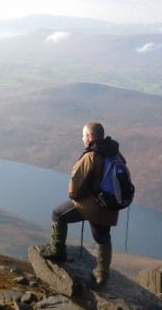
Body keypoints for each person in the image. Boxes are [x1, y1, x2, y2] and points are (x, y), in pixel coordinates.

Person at [40, 121, 121, 286]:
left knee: (58, 214)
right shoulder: (114, 153)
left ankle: (56, 251)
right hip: (110, 206)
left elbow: (74, 188)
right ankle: (102, 274)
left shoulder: (91, 155)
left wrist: (78, 198)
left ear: (90, 136)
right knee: (102, 237)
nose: (82, 138)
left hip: (93, 207)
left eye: (83, 135)